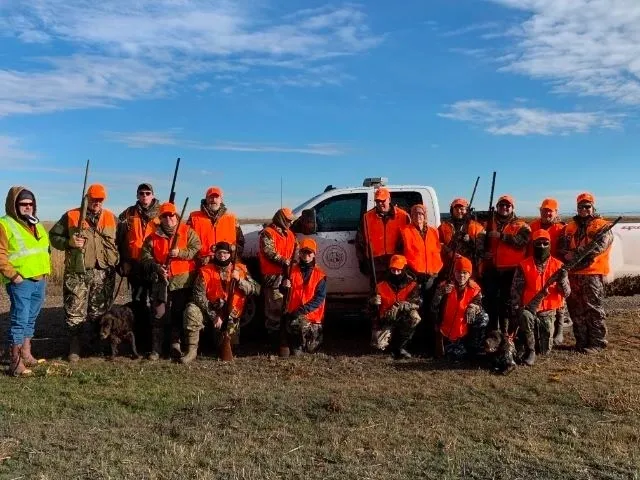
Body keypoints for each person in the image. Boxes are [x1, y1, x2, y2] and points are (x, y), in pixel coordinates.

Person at [49, 184, 119, 362]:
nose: (97, 202)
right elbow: (54, 237)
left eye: (100, 199)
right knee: (74, 310)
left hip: (103, 272)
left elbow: (121, 243)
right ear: (87, 198)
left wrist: (122, 263)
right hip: (77, 271)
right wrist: (69, 242)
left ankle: (97, 343)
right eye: (94, 199)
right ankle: (75, 345)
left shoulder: (112, 217)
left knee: (100, 311)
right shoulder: (72, 215)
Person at [181, 241, 260, 363]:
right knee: (191, 310)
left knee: (227, 346)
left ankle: (223, 345)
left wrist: (240, 280)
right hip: (210, 310)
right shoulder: (205, 271)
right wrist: (214, 316)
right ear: (215, 254)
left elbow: (257, 289)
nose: (222, 256)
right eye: (219, 253)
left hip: (231, 314)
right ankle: (191, 351)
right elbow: (198, 296)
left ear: (230, 254)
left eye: (225, 253)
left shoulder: (240, 269)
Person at [140, 202, 200, 360]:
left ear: (176, 216)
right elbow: (145, 257)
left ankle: (175, 344)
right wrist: (157, 267)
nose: (168, 219)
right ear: (160, 218)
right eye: (164, 216)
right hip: (161, 281)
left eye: (171, 215)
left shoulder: (187, 232)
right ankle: (156, 349)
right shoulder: (152, 237)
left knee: (178, 313)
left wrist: (180, 252)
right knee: (158, 314)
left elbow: (196, 249)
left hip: (182, 281)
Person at [0, 187, 50, 376]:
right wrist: (14, 276)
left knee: (31, 319)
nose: (27, 207)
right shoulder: (5, 224)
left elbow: (43, 249)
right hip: (20, 281)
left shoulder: (35, 223)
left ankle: (27, 354)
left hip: (39, 279)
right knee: (19, 320)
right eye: (23, 204)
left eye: (30, 204)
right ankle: (15, 362)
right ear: (14, 205)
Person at [558, 192, 613, 354]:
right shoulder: (570, 226)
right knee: (575, 309)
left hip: (592, 274)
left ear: (593, 207)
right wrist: (565, 253)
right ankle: (581, 342)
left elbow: (598, 247)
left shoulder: (603, 225)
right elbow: (562, 246)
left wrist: (573, 253)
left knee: (593, 309)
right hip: (573, 274)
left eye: (587, 206)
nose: (584, 209)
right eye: (581, 206)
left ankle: (597, 343)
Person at [511, 229, 570, 366]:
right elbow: (515, 291)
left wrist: (561, 280)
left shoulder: (559, 266)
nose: (542, 246)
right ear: (533, 244)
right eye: (538, 243)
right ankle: (530, 350)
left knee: (544, 350)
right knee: (525, 317)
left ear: (549, 244)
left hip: (548, 312)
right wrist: (517, 310)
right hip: (529, 310)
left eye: (545, 243)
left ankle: (535, 343)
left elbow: (566, 293)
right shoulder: (524, 265)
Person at [116, 182, 160, 351]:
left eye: (147, 193)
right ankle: (140, 339)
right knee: (139, 302)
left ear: (153, 195)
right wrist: (123, 262)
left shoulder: (164, 212)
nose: (144, 196)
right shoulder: (128, 214)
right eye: (141, 193)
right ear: (137, 195)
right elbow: (120, 240)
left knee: (158, 303)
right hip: (135, 266)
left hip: (155, 265)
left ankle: (156, 341)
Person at [481, 194, 531, 336]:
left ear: (512, 208)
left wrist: (502, 236)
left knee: (507, 302)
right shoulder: (488, 223)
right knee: (491, 300)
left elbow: (522, 241)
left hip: (512, 271)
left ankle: (508, 333)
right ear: (497, 207)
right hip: (492, 269)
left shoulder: (521, 225)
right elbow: (480, 242)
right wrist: (484, 253)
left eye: (507, 205)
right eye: (501, 205)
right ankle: (493, 330)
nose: (504, 208)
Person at [397, 203, 443, 355]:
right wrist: (409, 274)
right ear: (411, 215)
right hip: (414, 277)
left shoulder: (433, 232)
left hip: (432, 277)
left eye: (421, 214)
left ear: (425, 215)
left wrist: (436, 272)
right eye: (415, 213)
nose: (418, 216)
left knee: (432, 310)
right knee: (416, 309)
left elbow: (437, 252)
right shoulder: (404, 231)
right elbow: (400, 256)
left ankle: (431, 343)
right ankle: (416, 343)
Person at [527, 198, 570, 346]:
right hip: (536, 266)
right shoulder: (532, 225)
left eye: (550, 211)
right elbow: (527, 247)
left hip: (556, 267)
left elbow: (566, 248)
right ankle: (539, 328)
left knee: (558, 298)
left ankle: (559, 330)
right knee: (537, 296)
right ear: (540, 211)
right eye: (544, 210)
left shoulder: (562, 228)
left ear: (556, 212)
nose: (547, 213)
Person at [431, 256, 488, 361]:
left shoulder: (475, 288)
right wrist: (441, 294)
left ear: (469, 274)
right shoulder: (444, 286)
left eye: (464, 273)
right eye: (458, 272)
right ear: (454, 273)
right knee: (454, 356)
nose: (461, 275)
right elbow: (433, 307)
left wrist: (474, 307)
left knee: (483, 317)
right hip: (446, 330)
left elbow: (479, 303)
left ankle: (475, 345)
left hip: (464, 327)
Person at [258, 207, 298, 349]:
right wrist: (285, 261)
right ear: (281, 219)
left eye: (291, 221)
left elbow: (296, 250)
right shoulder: (268, 233)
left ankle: (283, 335)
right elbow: (269, 251)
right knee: (273, 307)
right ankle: (273, 337)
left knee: (285, 305)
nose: (290, 223)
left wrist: (294, 263)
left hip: (287, 274)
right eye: (288, 220)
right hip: (272, 276)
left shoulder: (290, 234)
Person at [370, 254, 422, 359]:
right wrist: (372, 302)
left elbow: (417, 303)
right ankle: (391, 344)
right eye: (393, 270)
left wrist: (401, 306)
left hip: (404, 316)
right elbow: (369, 310)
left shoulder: (412, 285)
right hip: (386, 318)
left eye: (399, 270)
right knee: (378, 345)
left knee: (415, 317)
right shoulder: (380, 285)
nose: (396, 273)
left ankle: (402, 346)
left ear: (404, 269)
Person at [281, 238, 327, 355]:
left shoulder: (320, 275)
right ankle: (297, 344)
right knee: (297, 349)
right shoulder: (291, 271)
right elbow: (283, 292)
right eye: (303, 252)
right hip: (295, 316)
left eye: (309, 253)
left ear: (314, 254)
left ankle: (307, 342)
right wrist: (284, 285)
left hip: (313, 317)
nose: (306, 255)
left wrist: (302, 310)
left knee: (311, 349)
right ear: (299, 253)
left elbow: (319, 299)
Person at [356, 187, 411, 285]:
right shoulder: (367, 217)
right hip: (376, 263)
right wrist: (363, 262)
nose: (380, 203)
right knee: (376, 295)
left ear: (389, 199)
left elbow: (410, 241)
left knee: (395, 292)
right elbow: (360, 242)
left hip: (396, 262)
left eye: (383, 200)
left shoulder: (403, 216)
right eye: (377, 201)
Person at [187, 186, 245, 266]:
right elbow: (187, 242)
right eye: (211, 197)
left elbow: (240, 241)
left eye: (216, 197)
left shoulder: (231, 218)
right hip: (202, 264)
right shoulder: (194, 217)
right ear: (206, 199)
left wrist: (233, 258)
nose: (213, 200)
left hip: (227, 263)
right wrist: (197, 260)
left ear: (221, 200)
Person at [438, 197, 485, 274]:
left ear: (467, 210)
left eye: (462, 209)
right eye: (456, 209)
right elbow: (437, 243)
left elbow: (482, 248)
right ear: (452, 210)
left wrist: (471, 240)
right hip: (449, 267)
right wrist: (448, 251)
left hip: (470, 268)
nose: (459, 211)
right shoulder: (443, 226)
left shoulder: (477, 226)